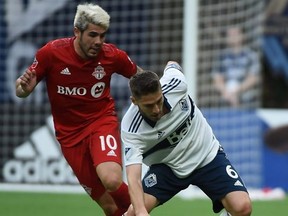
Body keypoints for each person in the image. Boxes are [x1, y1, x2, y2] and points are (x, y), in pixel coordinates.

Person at [15, 3, 142, 216]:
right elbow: (21, 90)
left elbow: (141, 76)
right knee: (109, 206)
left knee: (111, 179)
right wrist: (23, 88)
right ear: (77, 31)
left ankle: (143, 209)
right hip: (69, 137)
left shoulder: (112, 56)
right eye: (93, 35)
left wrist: (157, 92)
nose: (99, 42)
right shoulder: (51, 53)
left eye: (102, 36)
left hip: (100, 122)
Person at [121, 61, 252, 216]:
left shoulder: (176, 84)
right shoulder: (131, 128)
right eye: (149, 105)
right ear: (134, 101)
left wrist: (172, 66)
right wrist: (142, 212)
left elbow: (172, 64)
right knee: (134, 213)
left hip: (205, 154)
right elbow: (133, 177)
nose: (156, 110)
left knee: (243, 208)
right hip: (167, 167)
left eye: (158, 101)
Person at [212, 27, 260, 108]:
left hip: (246, 98)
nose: (233, 37)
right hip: (227, 98)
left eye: (235, 34)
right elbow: (217, 80)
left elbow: (253, 78)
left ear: (242, 36)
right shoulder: (221, 57)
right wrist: (227, 93)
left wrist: (237, 90)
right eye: (230, 35)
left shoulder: (251, 55)